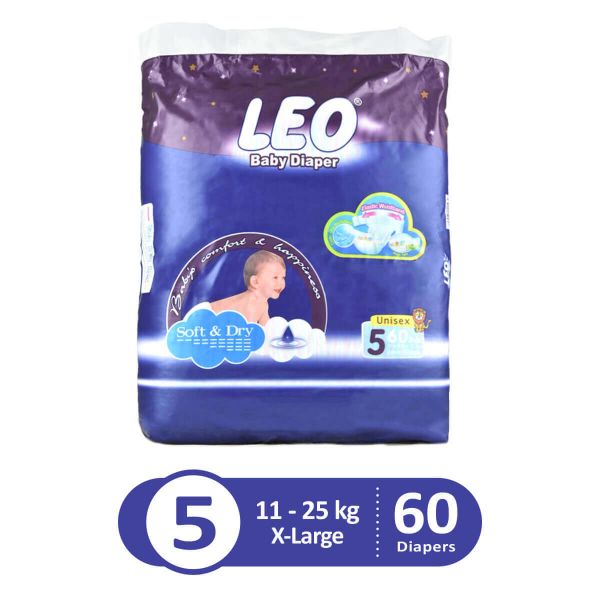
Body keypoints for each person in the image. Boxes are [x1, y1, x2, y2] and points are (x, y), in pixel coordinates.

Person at [210, 250, 286, 325]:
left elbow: (266, 325)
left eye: (283, 277)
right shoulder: (251, 303)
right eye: (275, 277)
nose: (281, 283)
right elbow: (248, 330)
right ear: (255, 282)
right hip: (208, 314)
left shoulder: (263, 303)